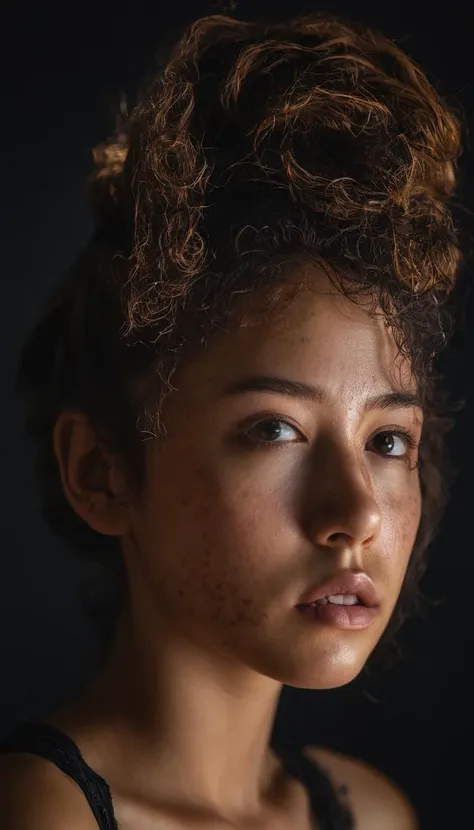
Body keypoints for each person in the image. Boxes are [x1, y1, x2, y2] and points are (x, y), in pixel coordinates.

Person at [0, 10, 465, 830]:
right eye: (275, 429)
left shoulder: (377, 815)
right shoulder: (39, 813)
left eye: (388, 441)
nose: (356, 514)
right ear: (102, 472)